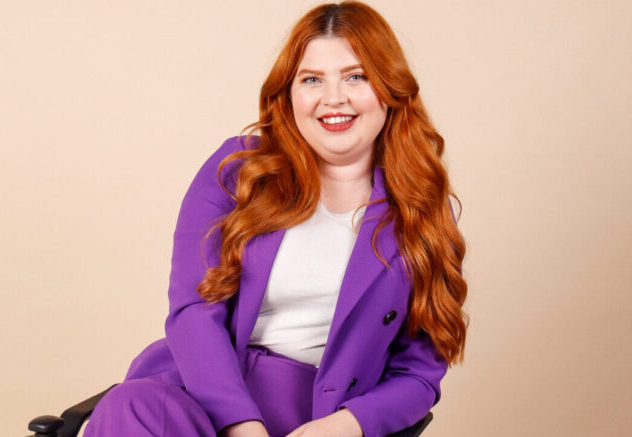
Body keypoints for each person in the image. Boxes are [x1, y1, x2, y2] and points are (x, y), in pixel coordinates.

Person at [83, 1, 468, 436]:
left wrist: (348, 425)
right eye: (312, 80)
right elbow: (192, 310)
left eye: (356, 76)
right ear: (289, 93)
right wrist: (241, 426)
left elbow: (418, 374)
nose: (333, 98)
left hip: (315, 415)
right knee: (130, 407)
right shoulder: (237, 170)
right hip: (200, 391)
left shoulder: (421, 212)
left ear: (390, 89)